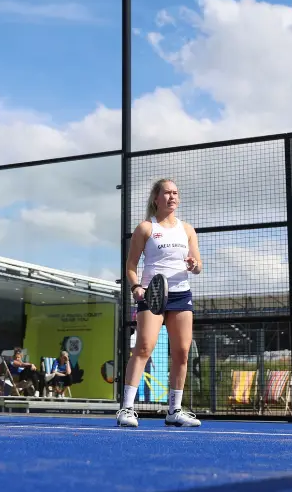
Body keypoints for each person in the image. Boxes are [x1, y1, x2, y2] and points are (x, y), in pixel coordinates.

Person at [116, 178, 203, 428]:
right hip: (152, 294)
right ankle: (127, 409)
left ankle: (174, 411)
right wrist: (136, 287)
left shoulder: (187, 229)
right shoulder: (145, 228)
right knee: (143, 347)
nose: (172, 197)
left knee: (182, 353)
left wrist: (193, 265)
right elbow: (131, 265)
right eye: (167, 193)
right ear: (156, 198)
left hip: (181, 294)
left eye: (175, 192)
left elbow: (198, 266)